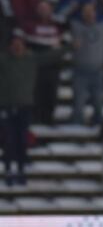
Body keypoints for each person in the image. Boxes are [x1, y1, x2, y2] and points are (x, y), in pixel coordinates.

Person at [0, 34, 60, 185]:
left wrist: (70, 47)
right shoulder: (4, 60)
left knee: (21, 140)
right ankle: (8, 170)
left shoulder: (30, 59)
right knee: (8, 140)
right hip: (6, 107)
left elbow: (49, 56)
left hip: (25, 108)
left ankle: (21, 170)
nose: (17, 47)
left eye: (20, 44)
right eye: (14, 44)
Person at [69, 2, 103, 125]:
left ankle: (98, 127)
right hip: (80, 72)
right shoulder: (75, 26)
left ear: (96, 13)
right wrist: (74, 7)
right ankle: (76, 129)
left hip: (98, 72)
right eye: (85, 11)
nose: (88, 14)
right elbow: (60, 17)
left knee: (99, 103)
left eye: (91, 11)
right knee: (78, 104)